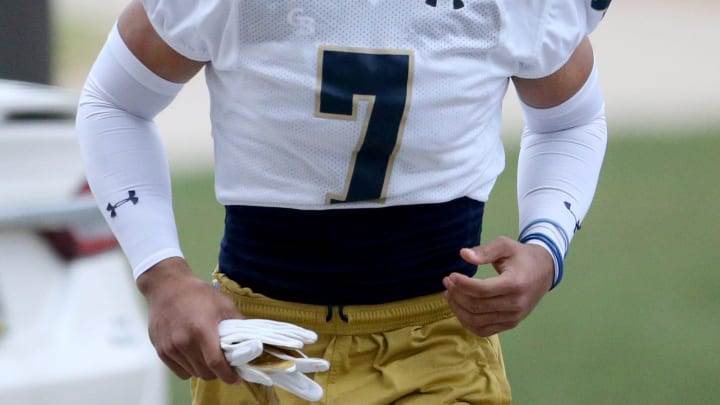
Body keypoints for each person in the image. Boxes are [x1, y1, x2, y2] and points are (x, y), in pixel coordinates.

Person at [76, 0, 611, 403]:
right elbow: (115, 103)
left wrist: (546, 244)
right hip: (258, 344)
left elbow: (569, 118)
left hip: (435, 342)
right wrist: (162, 277)